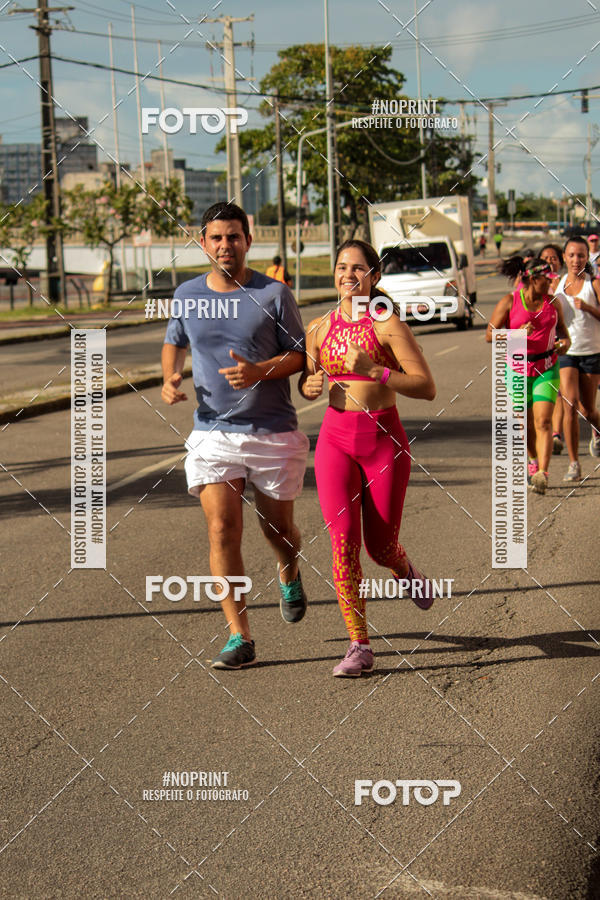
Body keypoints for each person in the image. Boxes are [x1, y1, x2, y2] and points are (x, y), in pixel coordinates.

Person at [161, 202, 309, 669]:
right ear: (203, 242)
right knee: (223, 529)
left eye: (234, 236)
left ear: (248, 241)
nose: (226, 245)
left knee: (277, 529)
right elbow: (174, 341)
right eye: (216, 237)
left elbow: (301, 356)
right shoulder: (186, 294)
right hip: (213, 433)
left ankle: (289, 572)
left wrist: (260, 370)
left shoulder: (274, 294)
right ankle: (239, 636)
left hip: (271, 431)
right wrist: (170, 378)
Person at [298, 239, 436, 677]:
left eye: (358, 269)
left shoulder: (386, 323)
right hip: (334, 441)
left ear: (373, 277)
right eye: (341, 267)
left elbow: (425, 385)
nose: (348, 276)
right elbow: (307, 379)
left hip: (383, 444)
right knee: (343, 543)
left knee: (380, 548)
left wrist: (374, 369)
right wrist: (309, 388)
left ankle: (405, 567)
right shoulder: (318, 328)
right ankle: (359, 645)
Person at [486, 256, 571, 494]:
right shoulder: (509, 302)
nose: (551, 284)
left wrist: (564, 343)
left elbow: (563, 331)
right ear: (533, 279)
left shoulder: (553, 302)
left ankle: (542, 473)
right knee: (527, 425)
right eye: (547, 279)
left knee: (543, 421)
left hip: (547, 366)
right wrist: (515, 334)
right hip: (517, 369)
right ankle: (532, 460)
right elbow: (489, 335)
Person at [553, 235, 600, 480]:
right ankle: (574, 464)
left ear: (586, 258)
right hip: (566, 353)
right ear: (564, 257)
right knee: (570, 404)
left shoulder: (595, 285)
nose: (576, 259)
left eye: (581, 255)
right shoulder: (556, 287)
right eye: (571, 255)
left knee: (588, 410)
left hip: (592, 352)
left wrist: (589, 308)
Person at [539, 244, 567, 454]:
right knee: (556, 396)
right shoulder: (534, 286)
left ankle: (556, 433)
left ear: (560, 261)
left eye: (554, 258)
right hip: (541, 349)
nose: (550, 261)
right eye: (545, 258)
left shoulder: (566, 284)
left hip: (564, 344)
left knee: (570, 399)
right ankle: (554, 434)